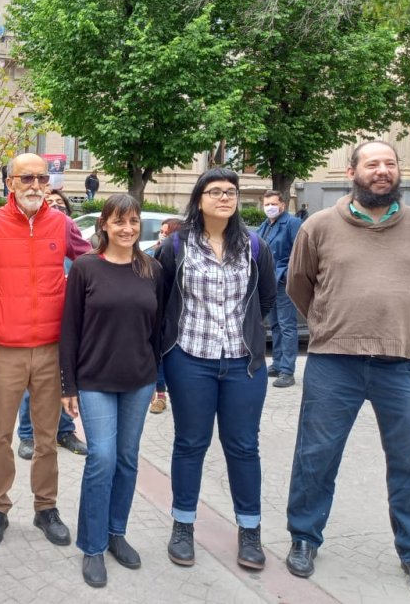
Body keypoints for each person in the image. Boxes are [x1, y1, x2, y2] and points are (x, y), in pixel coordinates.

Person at [283, 140, 410, 600]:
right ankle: (304, 537)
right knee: (316, 455)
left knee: (409, 462)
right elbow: (299, 284)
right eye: (372, 164)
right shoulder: (318, 226)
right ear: (351, 172)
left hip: (403, 364)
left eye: (390, 163)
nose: (382, 171)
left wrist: (399, 321)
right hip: (335, 363)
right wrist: (330, 324)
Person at [0, 153, 92, 549]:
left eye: (42, 178)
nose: (36, 185)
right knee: (0, 435)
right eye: (27, 178)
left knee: (47, 437)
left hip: (52, 349)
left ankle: (45, 508)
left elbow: (92, 265)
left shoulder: (62, 224)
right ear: (10, 183)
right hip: (5, 349)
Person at [158, 167, 275, 571]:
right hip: (190, 359)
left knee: (243, 447)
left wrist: (248, 334)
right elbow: (162, 302)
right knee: (190, 444)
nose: (224, 198)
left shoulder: (254, 245)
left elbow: (266, 298)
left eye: (230, 192)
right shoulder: (176, 246)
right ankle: (183, 526)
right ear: (199, 199)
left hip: (244, 364)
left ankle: (250, 531)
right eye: (215, 192)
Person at [60, 194, 163, 587]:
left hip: (139, 380)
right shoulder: (86, 268)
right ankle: (92, 546)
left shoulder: (152, 269)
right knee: (101, 458)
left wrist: (158, 382)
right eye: (119, 221)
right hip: (95, 380)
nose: (127, 228)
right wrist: (68, 384)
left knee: (126, 458)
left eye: (133, 221)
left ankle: (116, 532)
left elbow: (158, 331)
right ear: (104, 225)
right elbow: (69, 330)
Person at [17, 189, 87, 459]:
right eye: (50, 203)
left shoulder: (75, 249)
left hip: (68, 327)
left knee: (65, 380)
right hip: (36, 327)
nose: (56, 207)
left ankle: (64, 431)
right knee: (31, 384)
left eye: (61, 204)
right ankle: (27, 434)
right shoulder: (34, 244)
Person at [257, 190, 302, 388]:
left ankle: (287, 371)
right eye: (266, 204)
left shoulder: (292, 223)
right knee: (274, 325)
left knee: (287, 326)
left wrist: (286, 275)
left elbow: (300, 253)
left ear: (283, 204)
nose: (270, 208)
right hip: (268, 282)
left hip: (283, 282)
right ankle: (277, 364)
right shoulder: (265, 225)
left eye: (273, 204)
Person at [148, 217, 181, 414]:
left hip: (177, 316)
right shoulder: (155, 252)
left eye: (167, 233)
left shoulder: (180, 253)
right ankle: (160, 396)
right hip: (159, 313)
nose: (162, 235)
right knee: (158, 353)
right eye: (161, 232)